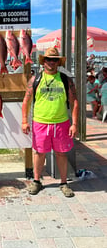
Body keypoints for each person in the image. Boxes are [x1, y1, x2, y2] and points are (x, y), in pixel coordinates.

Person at [22, 47, 79, 198]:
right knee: (39, 153)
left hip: (61, 123)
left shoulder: (66, 80)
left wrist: (74, 124)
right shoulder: (35, 79)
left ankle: (63, 183)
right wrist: (24, 121)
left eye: (54, 60)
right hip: (40, 122)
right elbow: (26, 101)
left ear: (58, 62)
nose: (51, 62)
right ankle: (36, 181)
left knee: (61, 153)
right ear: (43, 61)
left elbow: (74, 102)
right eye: (48, 59)